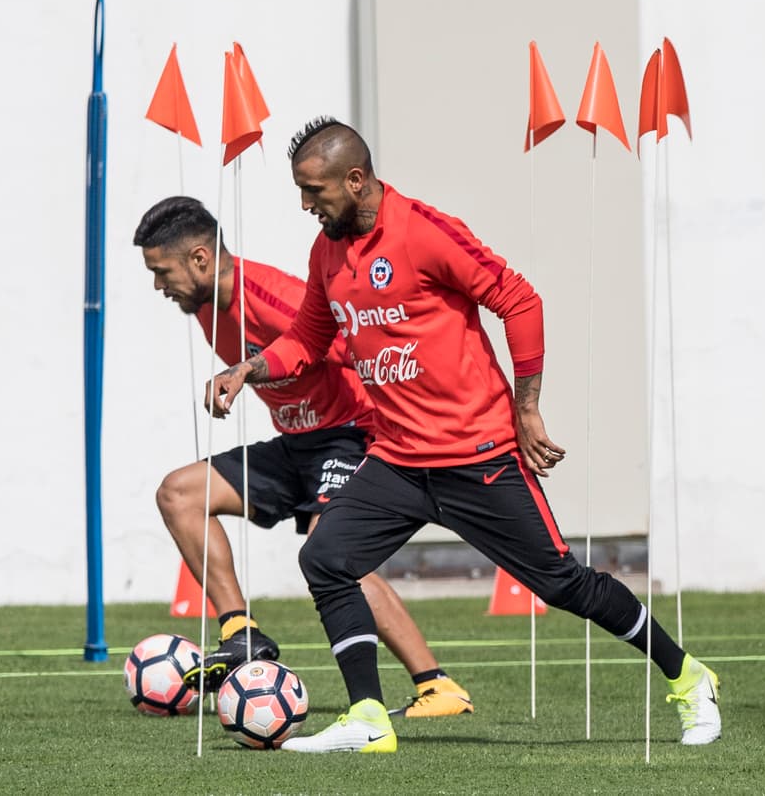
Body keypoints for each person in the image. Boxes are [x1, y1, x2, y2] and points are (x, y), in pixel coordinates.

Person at [207, 118, 722, 754]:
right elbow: (310, 340)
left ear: (356, 179)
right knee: (325, 559)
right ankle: (369, 716)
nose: (306, 204)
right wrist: (247, 368)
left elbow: (520, 300)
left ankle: (688, 676)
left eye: (314, 191)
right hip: (396, 461)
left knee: (563, 584)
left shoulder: (424, 231)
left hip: (478, 457)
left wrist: (527, 410)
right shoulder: (326, 255)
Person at [134, 195, 473, 718]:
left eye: (162, 271)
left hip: (350, 433)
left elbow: (356, 346)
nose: (159, 286)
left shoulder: (271, 295)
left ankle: (437, 687)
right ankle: (240, 634)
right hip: (297, 446)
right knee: (179, 493)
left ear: (200, 258)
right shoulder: (205, 307)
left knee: (331, 552)